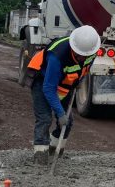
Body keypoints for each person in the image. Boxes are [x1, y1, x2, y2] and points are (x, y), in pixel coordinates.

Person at [27, 25, 100, 164]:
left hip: (64, 84)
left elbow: (86, 68)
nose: (82, 58)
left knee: (69, 122)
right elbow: (48, 88)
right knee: (45, 119)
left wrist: (80, 80)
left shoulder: (92, 51)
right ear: (73, 48)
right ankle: (40, 156)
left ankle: (55, 150)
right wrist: (60, 113)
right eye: (79, 55)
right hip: (42, 81)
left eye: (86, 55)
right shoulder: (57, 55)